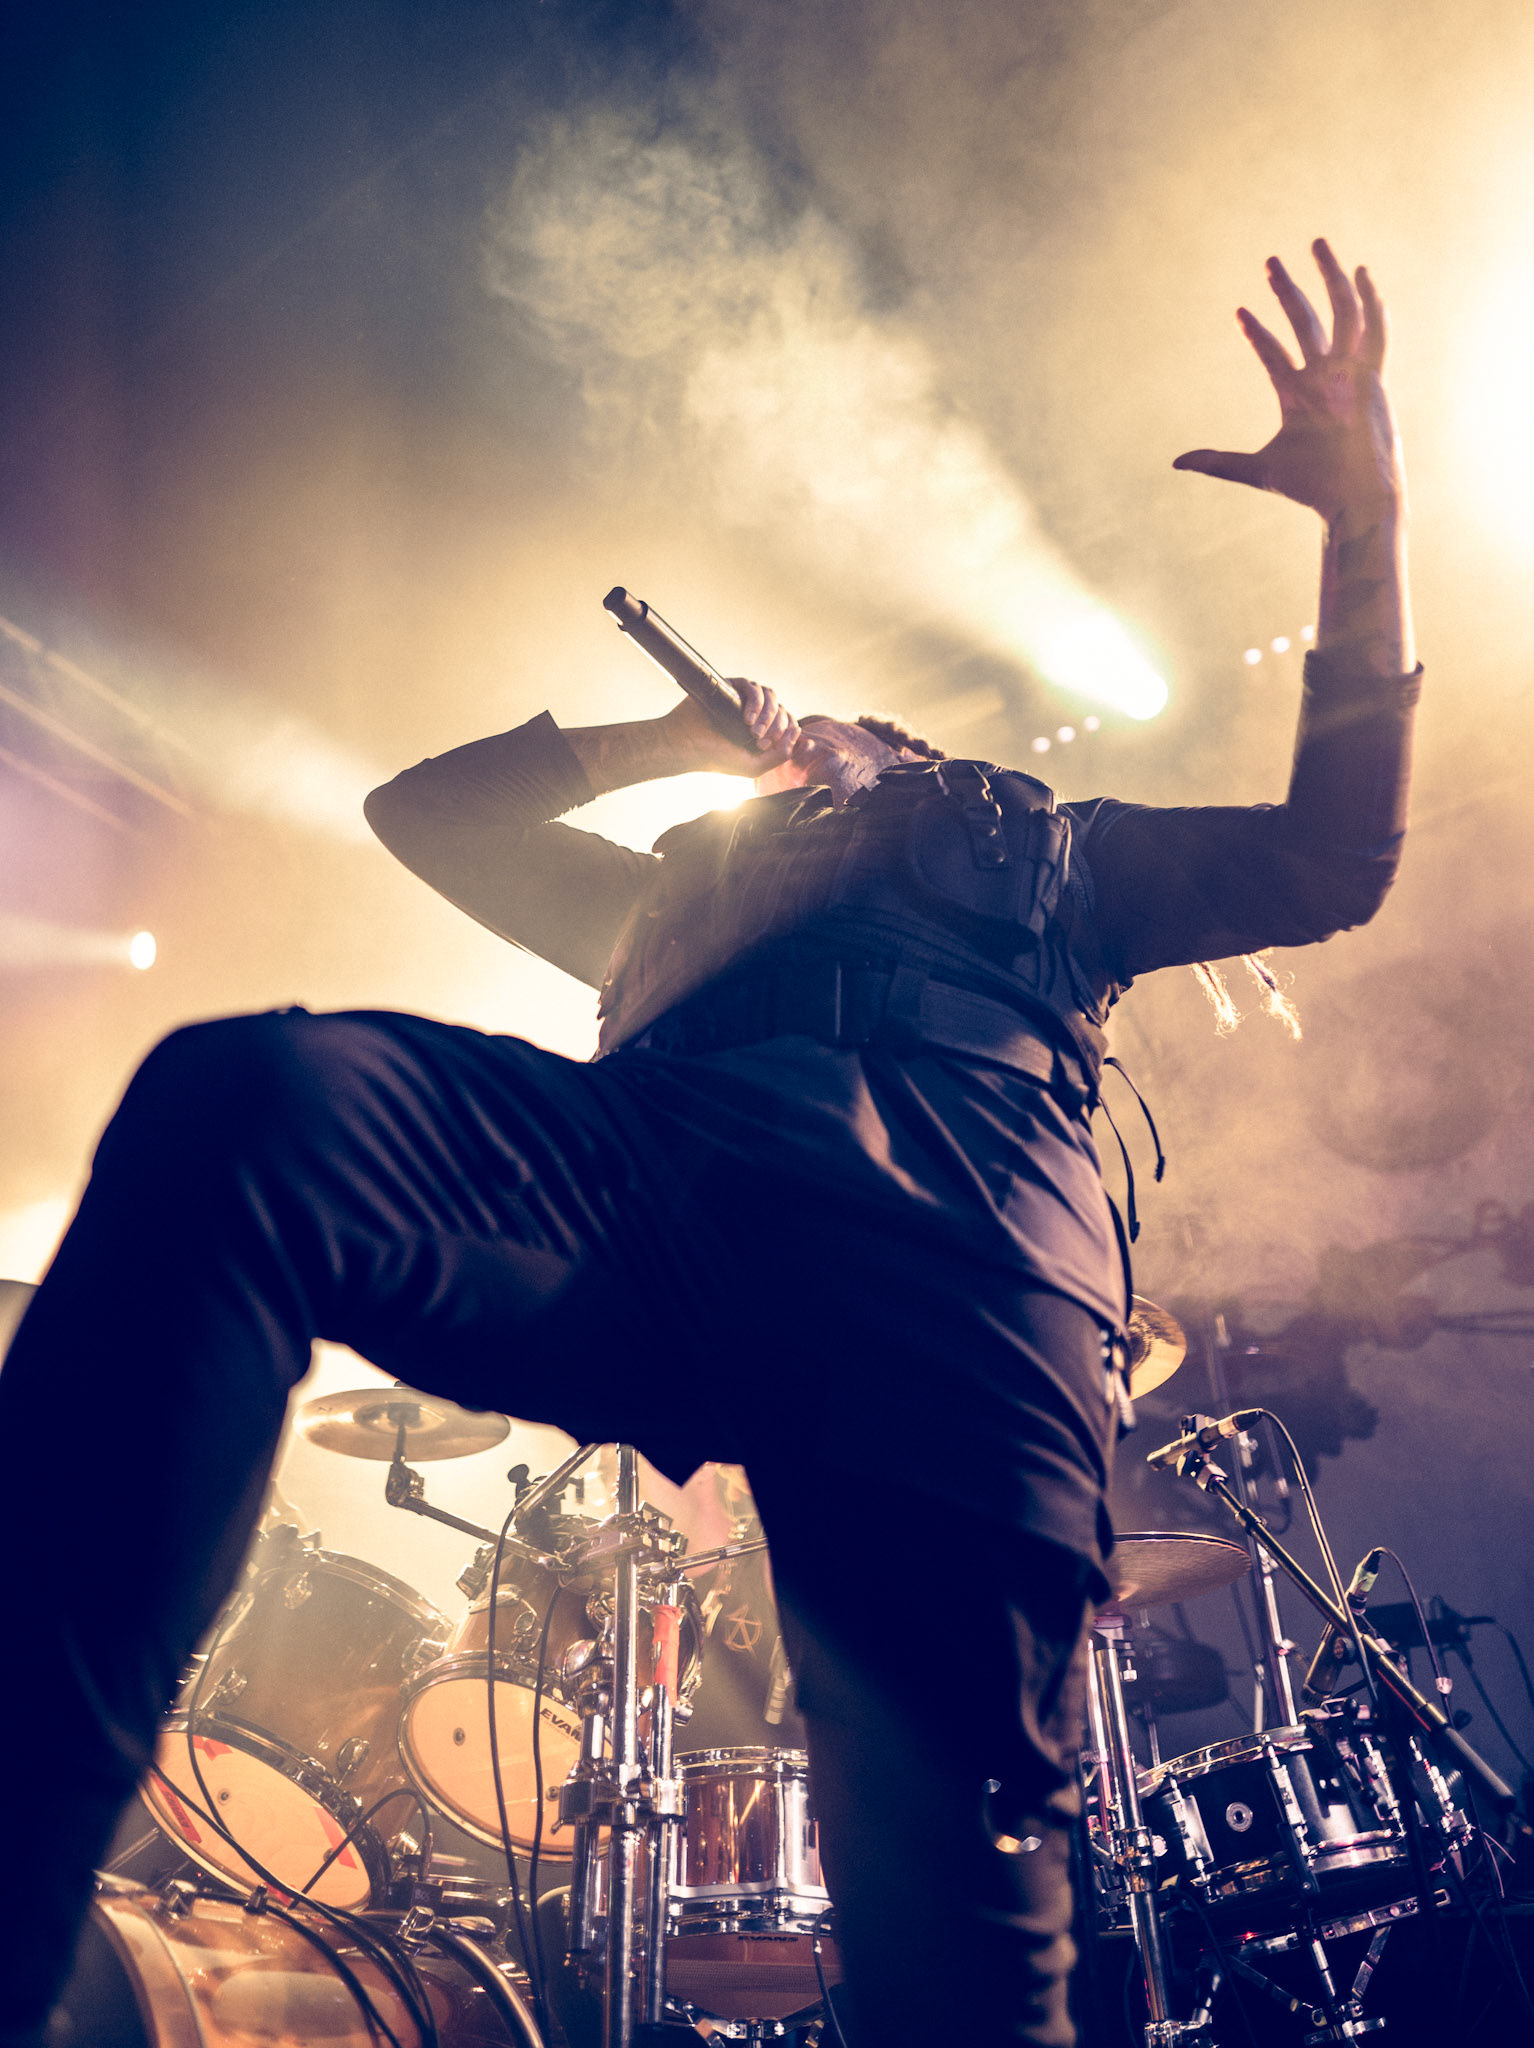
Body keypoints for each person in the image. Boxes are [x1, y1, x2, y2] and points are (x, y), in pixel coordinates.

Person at [0, 241, 1417, 2048]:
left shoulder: (1045, 847)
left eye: (852, 729)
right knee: (251, 1108)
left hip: (957, 1252)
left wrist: (1361, 530)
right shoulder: (672, 899)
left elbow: (1330, 855)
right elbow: (422, 811)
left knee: (959, 1934)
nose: (812, 732)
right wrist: (665, 741)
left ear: (902, 752)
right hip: (654, 1179)